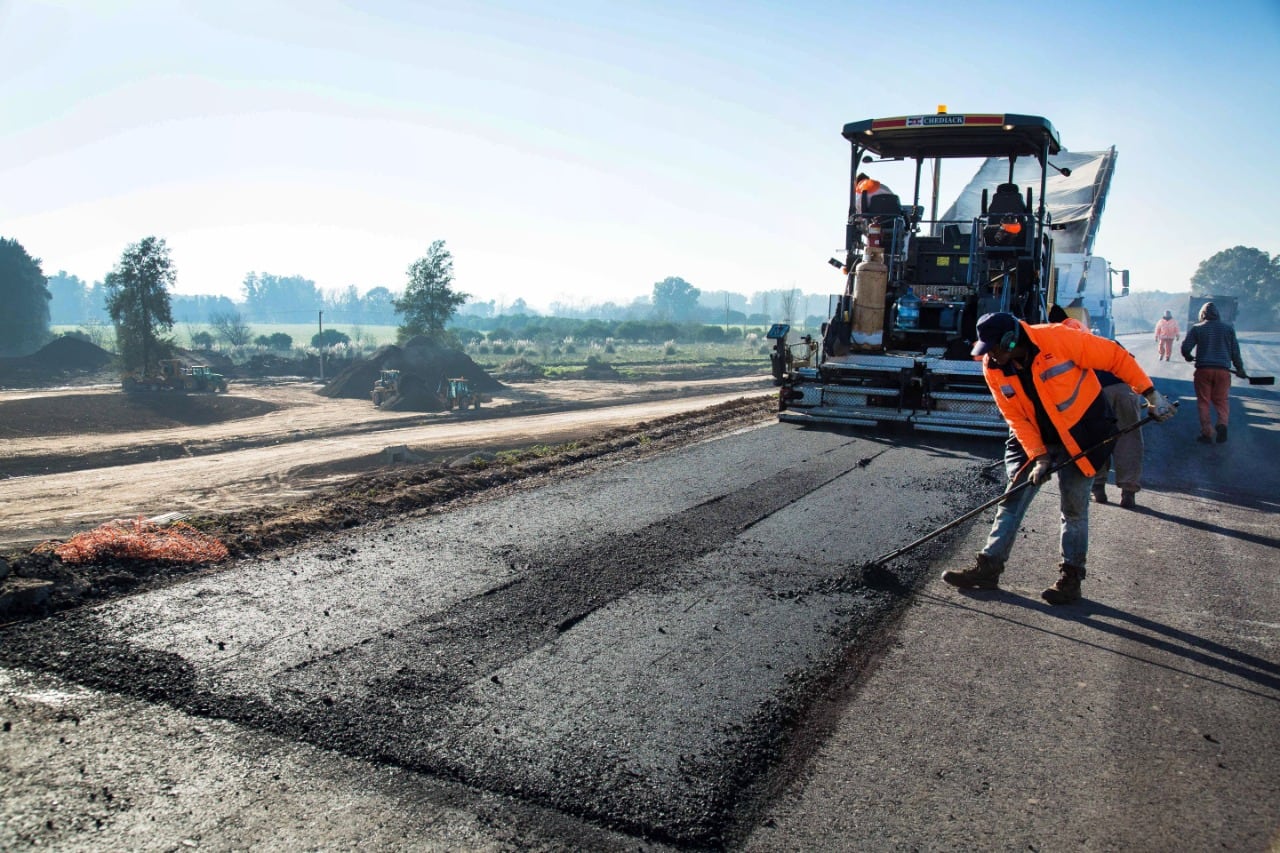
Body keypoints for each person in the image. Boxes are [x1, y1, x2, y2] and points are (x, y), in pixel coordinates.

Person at [941, 312, 1174, 605]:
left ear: (1012, 339)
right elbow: (1015, 417)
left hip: (1082, 431)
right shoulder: (993, 368)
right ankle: (988, 568)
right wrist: (1039, 457)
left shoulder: (1058, 338)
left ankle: (1071, 579)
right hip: (1036, 435)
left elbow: (1115, 356)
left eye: (996, 349)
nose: (992, 357)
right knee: (1013, 499)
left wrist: (1151, 395)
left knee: (1074, 507)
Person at [1181, 301, 1247, 443]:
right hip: (1223, 371)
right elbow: (1235, 351)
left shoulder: (1197, 328)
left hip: (1203, 370)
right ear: (1218, 315)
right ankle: (1222, 424)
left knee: (1204, 402)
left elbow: (1186, 347)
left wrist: (1188, 356)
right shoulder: (1228, 329)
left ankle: (1207, 433)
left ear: (1202, 315)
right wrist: (1239, 368)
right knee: (1221, 400)